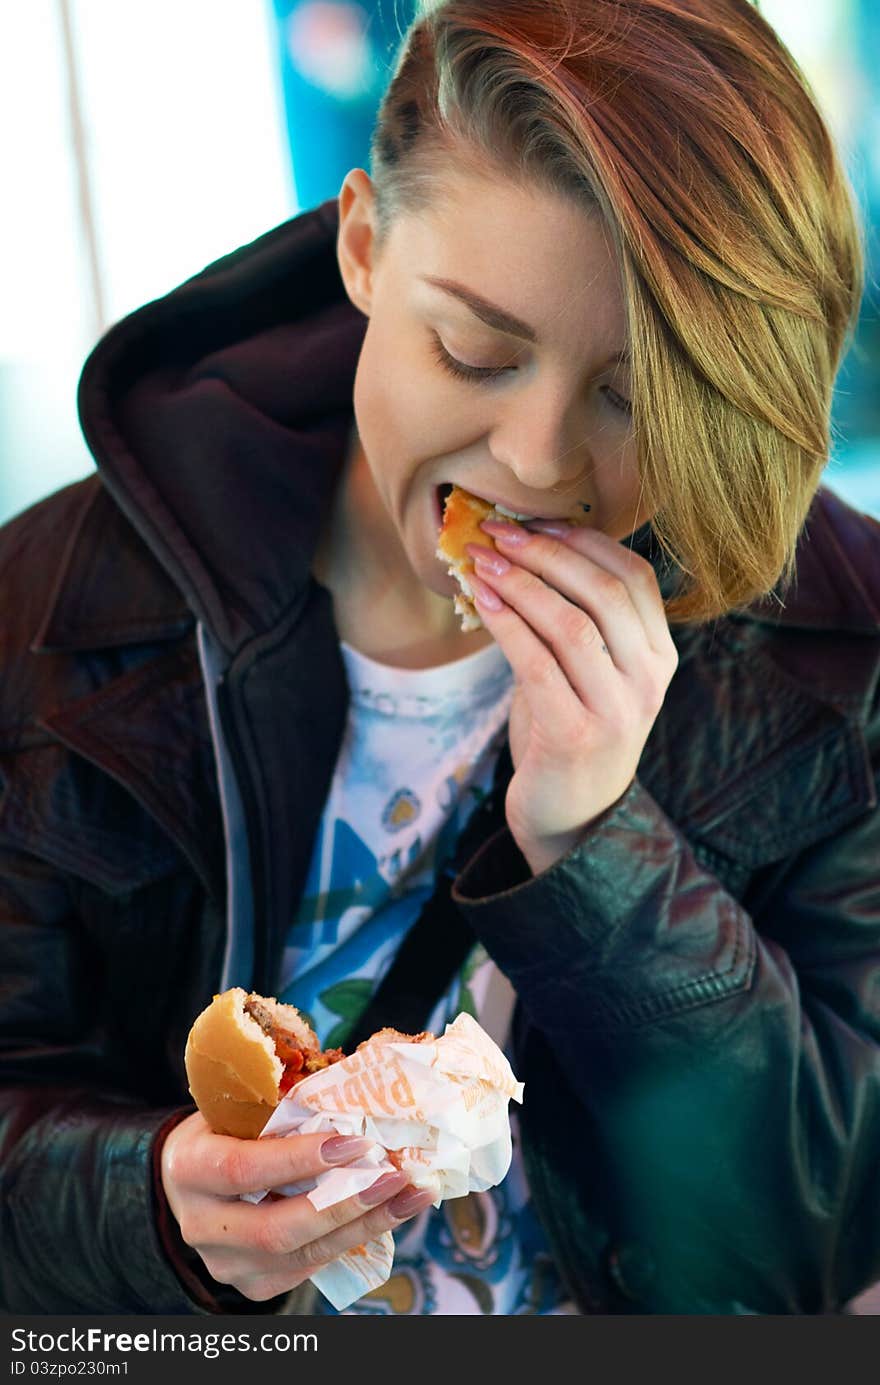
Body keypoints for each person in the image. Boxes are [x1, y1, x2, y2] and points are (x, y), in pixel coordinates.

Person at [1, 0, 878, 1316]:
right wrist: (145, 1204)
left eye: (633, 395)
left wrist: (594, 839)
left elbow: (810, 1243)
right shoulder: (54, 609)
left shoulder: (839, 648)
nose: (535, 461)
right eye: (472, 350)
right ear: (361, 243)